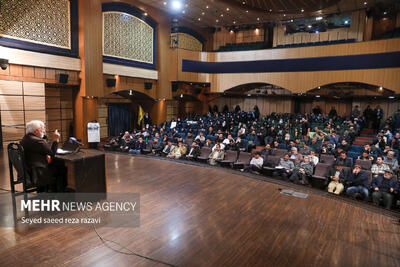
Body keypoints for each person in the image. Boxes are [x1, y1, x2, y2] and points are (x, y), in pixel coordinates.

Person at [21, 120, 66, 192]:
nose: (44, 131)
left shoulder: (25, 138)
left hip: (30, 170)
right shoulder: (38, 141)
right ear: (36, 131)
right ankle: (60, 193)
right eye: (43, 129)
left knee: (57, 165)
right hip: (39, 172)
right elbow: (52, 154)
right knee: (62, 168)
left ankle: (47, 190)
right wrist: (56, 140)